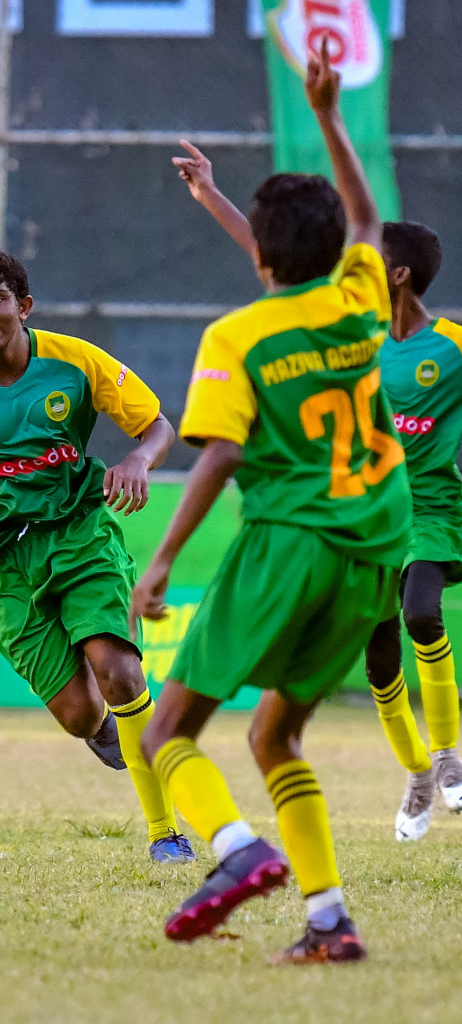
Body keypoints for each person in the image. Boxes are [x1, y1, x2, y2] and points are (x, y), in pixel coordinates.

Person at [132, 42, 409, 963]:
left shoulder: (240, 334)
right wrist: (328, 115)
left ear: (265, 256)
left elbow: (220, 454)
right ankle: (332, 925)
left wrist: (165, 558)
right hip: (377, 549)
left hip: (291, 541)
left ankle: (238, 851)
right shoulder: (362, 299)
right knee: (276, 735)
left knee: (171, 728)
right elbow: (366, 216)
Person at [170, 149, 462, 843]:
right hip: (361, 511)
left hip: (427, 509)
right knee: (380, 658)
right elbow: (272, 255)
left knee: (422, 611)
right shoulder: (342, 317)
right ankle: (418, 771)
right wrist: (212, 196)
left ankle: (449, 758)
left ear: (392, 273)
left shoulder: (448, 344)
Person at [0, 247, 190, 863]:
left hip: (80, 534)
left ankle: (166, 832)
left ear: (23, 307)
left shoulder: (75, 361)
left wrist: (136, 460)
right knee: (79, 713)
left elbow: (157, 425)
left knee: (120, 670)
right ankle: (103, 729)